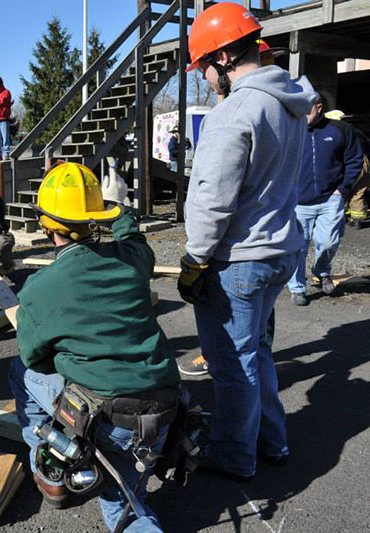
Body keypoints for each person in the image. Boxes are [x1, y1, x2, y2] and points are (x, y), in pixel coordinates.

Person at [179, 2, 317, 481]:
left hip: (240, 258)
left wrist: (194, 260)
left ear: (221, 59)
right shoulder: (290, 101)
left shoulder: (234, 110)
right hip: (282, 250)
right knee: (256, 351)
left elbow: (211, 199)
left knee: (232, 365)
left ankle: (235, 456)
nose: (206, 80)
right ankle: (271, 441)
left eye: (203, 70)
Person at [8, 162, 180, 531]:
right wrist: (118, 212)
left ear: (46, 223)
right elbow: (134, 238)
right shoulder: (132, 260)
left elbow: (32, 357)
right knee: (132, 481)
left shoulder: (41, 288)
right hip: (164, 406)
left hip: (109, 417)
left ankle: (50, 468)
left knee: (20, 372)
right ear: (95, 217)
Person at [286, 94, 364, 305]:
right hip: (298, 202)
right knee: (297, 247)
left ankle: (321, 272)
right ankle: (297, 288)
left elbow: (355, 159)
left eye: (306, 110)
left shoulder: (340, 130)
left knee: (329, 242)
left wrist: (342, 189)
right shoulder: (291, 132)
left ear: (318, 107)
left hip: (331, 198)